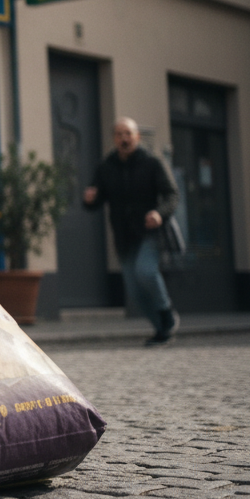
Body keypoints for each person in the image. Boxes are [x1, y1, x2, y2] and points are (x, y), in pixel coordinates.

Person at [83, 117, 180, 345]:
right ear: (114, 138)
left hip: (149, 232)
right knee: (135, 293)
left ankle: (166, 312)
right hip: (123, 236)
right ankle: (162, 331)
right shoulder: (107, 167)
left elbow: (172, 194)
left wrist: (159, 212)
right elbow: (96, 201)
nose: (124, 138)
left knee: (145, 271)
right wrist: (90, 200)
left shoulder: (152, 162)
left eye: (128, 133)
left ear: (137, 137)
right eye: (119, 134)